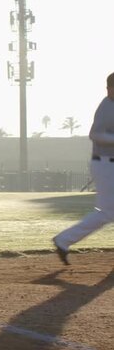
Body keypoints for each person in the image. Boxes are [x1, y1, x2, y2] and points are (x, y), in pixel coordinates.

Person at [53, 72, 114, 265]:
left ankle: (63, 240)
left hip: (108, 162)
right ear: (109, 89)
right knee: (106, 212)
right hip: (105, 163)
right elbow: (95, 134)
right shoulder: (107, 107)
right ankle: (63, 240)